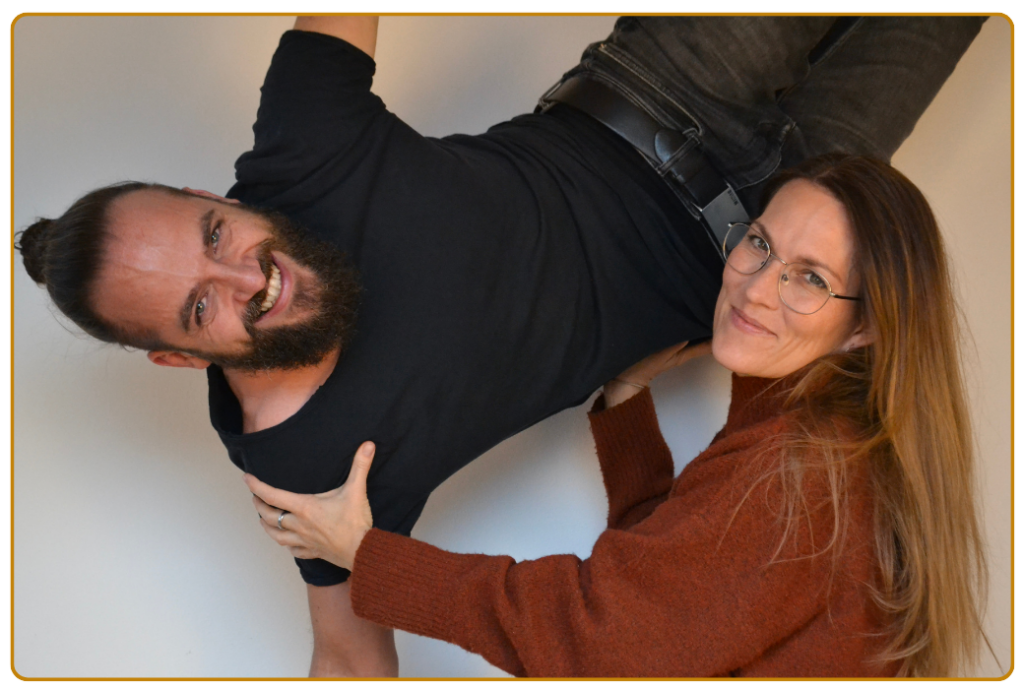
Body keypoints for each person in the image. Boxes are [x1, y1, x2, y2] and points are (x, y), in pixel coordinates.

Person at [15, 17, 987, 677]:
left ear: (211, 196)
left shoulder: (300, 148)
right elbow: (353, 655)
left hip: (677, 86)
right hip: (776, 254)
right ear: (181, 360)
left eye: (215, 233)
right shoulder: (307, 471)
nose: (248, 276)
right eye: (198, 309)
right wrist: (623, 412)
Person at [248, 155, 990, 677]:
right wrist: (626, 403)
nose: (757, 287)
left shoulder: (798, 473)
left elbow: (599, 645)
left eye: (810, 279)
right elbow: (668, 605)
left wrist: (367, 554)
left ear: (865, 328)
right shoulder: (821, 441)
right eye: (761, 243)